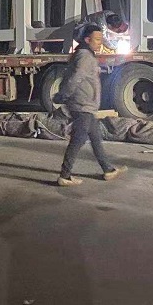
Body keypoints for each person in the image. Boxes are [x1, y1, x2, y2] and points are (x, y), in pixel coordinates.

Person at [54, 24, 126, 186]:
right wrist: (64, 95)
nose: (100, 42)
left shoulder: (86, 54)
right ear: (87, 39)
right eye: (97, 39)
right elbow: (75, 78)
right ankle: (65, 175)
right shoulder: (85, 56)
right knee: (78, 139)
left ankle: (108, 170)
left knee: (95, 138)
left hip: (88, 104)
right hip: (82, 104)